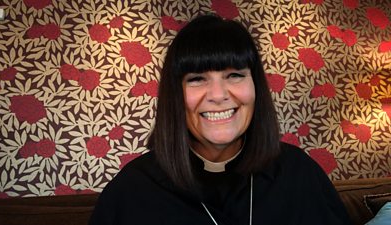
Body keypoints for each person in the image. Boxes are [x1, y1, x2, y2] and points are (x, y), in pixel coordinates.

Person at [89, 14, 352, 225]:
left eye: (234, 75)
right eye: (196, 79)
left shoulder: (299, 173)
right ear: (175, 96)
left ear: (255, 87)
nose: (218, 95)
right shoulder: (131, 191)